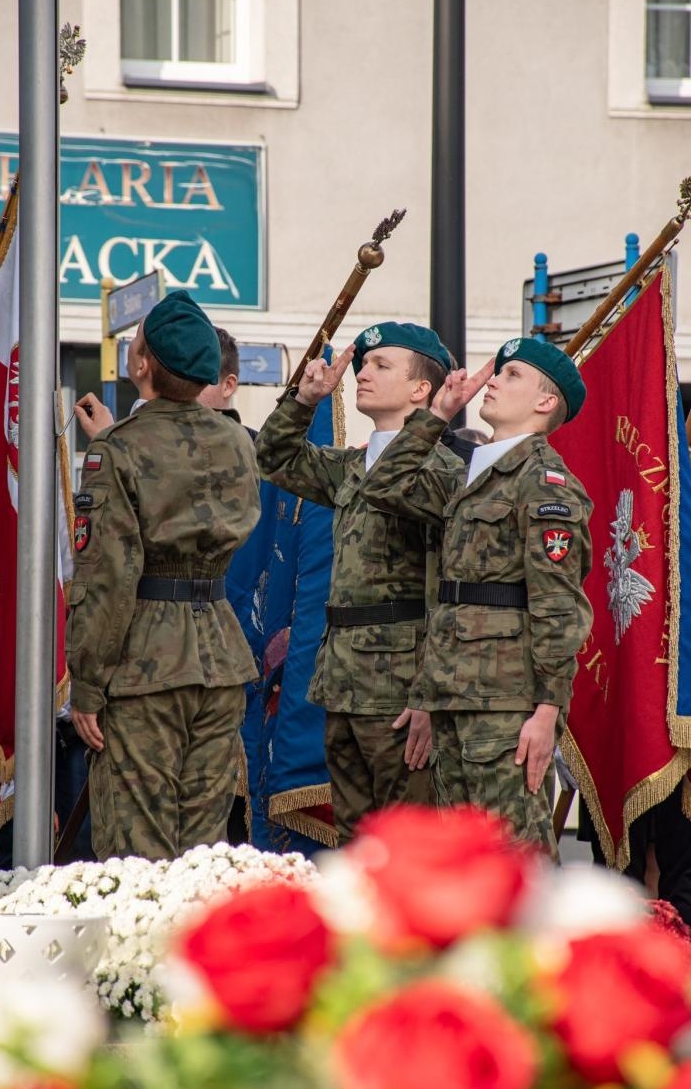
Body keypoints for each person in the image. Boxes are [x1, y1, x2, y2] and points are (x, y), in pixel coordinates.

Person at [361, 336, 592, 859]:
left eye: (512, 375)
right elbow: (383, 484)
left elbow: (559, 607)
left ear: (545, 402)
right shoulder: (471, 476)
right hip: (453, 693)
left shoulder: (545, 483)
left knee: (517, 856)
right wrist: (438, 415)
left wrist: (548, 712)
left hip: (506, 704)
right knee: (465, 861)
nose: (492, 381)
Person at [255, 322, 475, 845]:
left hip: (402, 689)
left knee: (407, 847)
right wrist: (304, 401)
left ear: (421, 389)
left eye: (381, 365)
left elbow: (449, 592)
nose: (362, 374)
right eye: (363, 364)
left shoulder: (442, 470)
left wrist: (431, 695)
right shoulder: (354, 466)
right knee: (357, 847)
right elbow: (273, 458)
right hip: (344, 680)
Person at [66, 291, 261, 861]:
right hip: (220, 654)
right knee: (202, 849)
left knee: (137, 850)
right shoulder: (235, 439)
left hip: (143, 661)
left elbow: (107, 577)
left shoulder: (117, 448)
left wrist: (87, 683)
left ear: (142, 364)